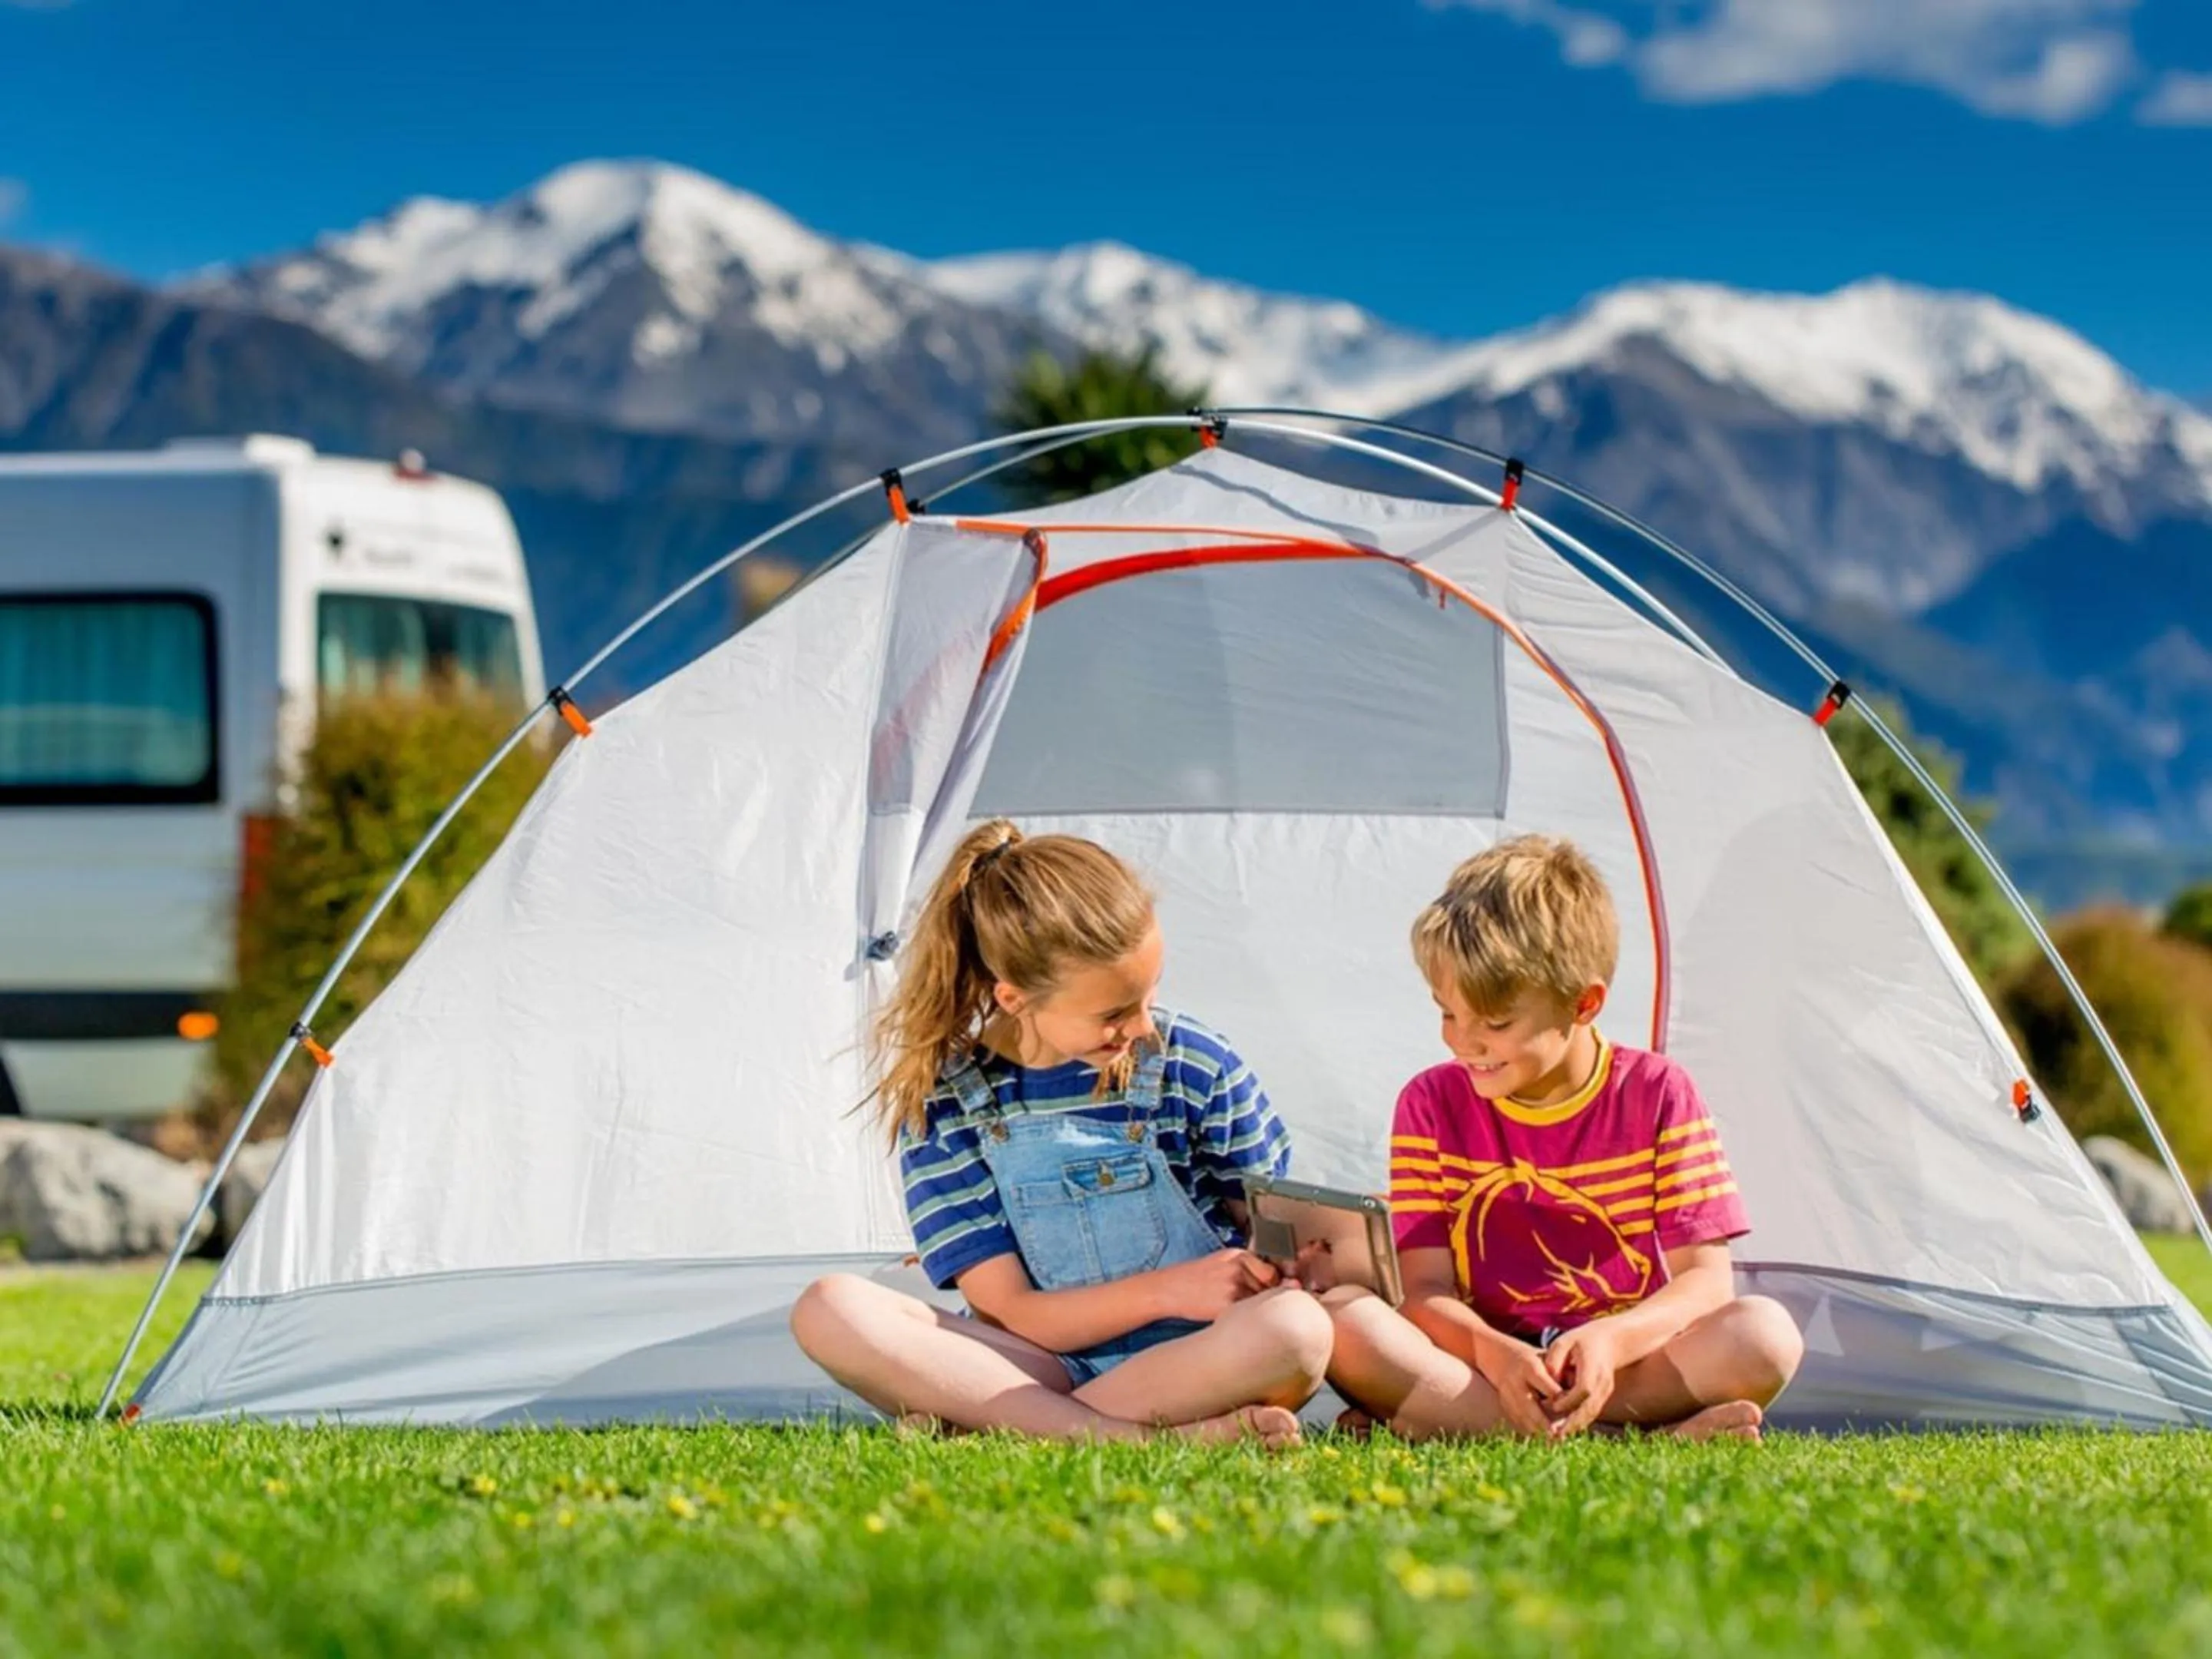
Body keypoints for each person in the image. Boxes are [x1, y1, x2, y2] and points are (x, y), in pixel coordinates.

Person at [790, 820, 1332, 1446]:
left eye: (1149, 995)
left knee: (1297, 1329)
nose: (1142, 1029)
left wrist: (1293, 1263)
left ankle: (1003, 1431)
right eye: (1112, 1015)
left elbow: (1272, 1228)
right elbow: (1014, 1314)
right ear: (1015, 999)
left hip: (1196, 1356)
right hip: (1034, 1364)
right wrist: (1171, 1290)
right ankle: (1135, 1438)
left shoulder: (1194, 1061)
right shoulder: (947, 1102)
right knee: (829, 1307)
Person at [1324, 835, 1803, 1442]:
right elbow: (1426, 1291)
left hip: (1622, 1363)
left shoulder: (1658, 1092)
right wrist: (1498, 1356)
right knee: (1341, 1320)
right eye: (1447, 1012)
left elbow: (1705, 1282)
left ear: (1584, 1004)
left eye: (1496, 1024)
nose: (1462, 1042)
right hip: (1481, 1362)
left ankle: (1482, 1425)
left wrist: (1611, 1338)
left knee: (1763, 1337)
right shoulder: (1430, 1102)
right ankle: (1629, 1438)